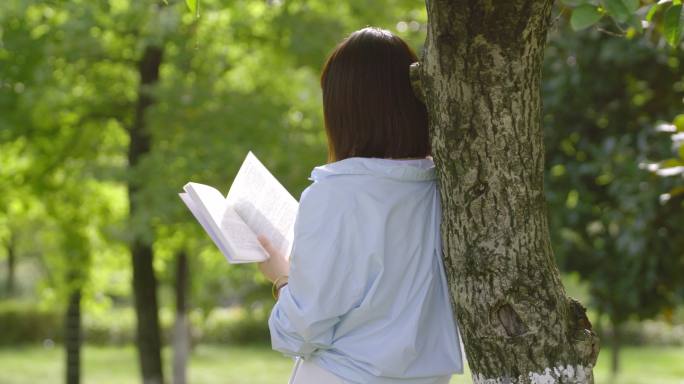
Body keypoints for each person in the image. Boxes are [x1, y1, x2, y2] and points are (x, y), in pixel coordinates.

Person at [256, 26, 464, 384]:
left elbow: (301, 330)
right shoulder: (444, 187)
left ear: (341, 111)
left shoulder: (336, 195)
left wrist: (281, 276)